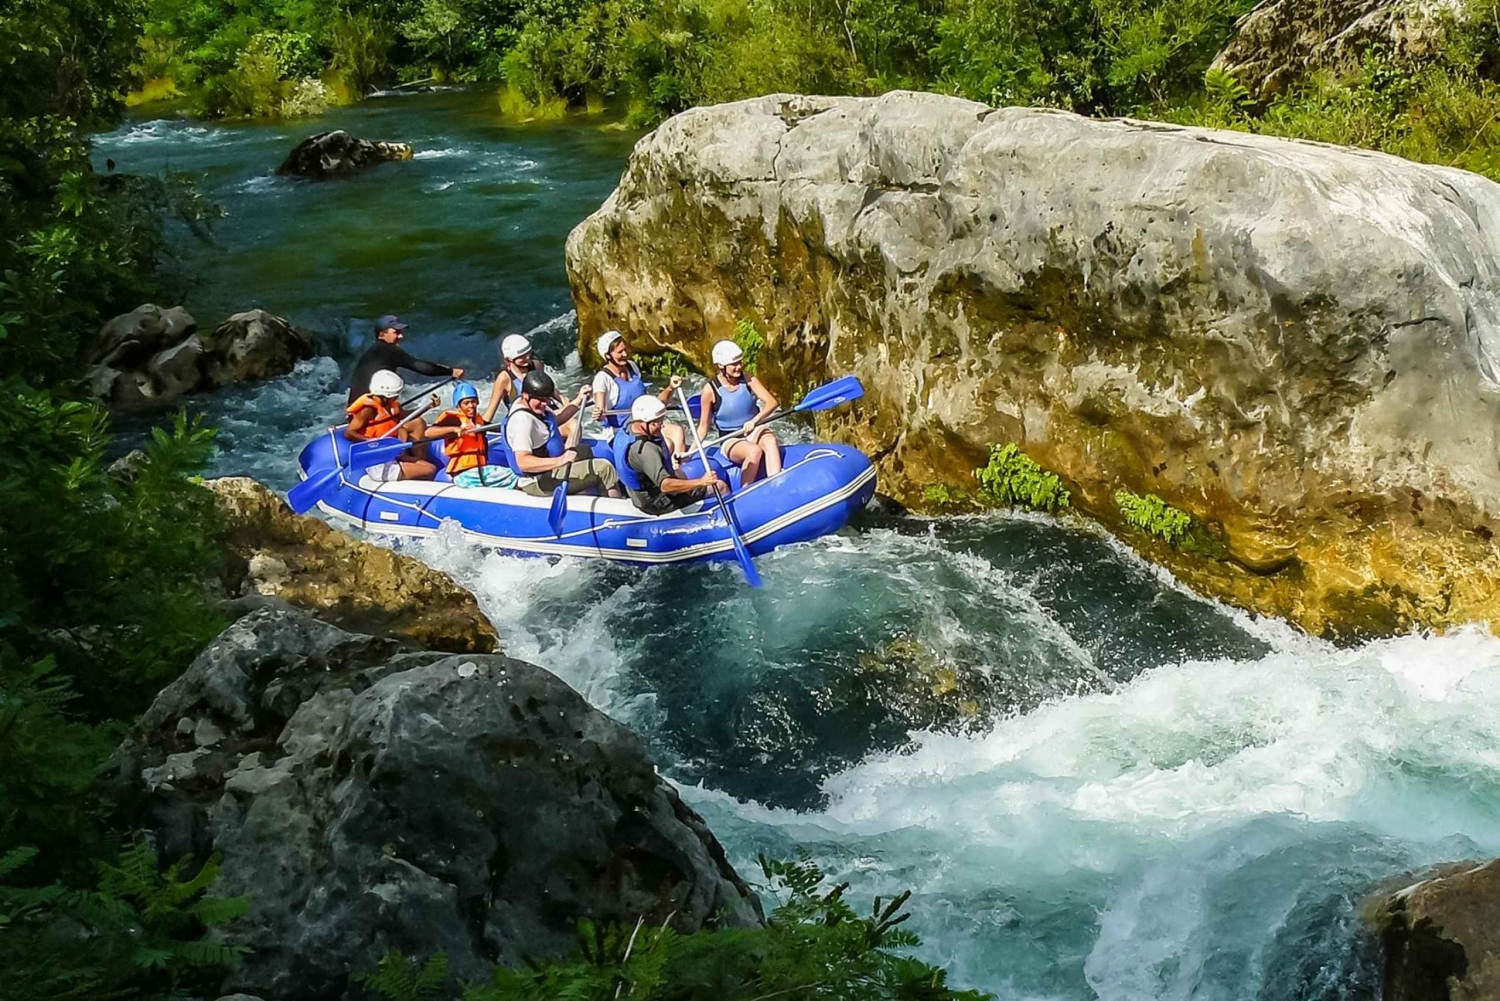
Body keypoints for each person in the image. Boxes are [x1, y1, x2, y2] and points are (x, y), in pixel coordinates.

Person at [503, 370, 623, 498]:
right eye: (541, 401)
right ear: (526, 396)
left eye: (547, 400)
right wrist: (561, 460)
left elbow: (556, 419)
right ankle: (615, 504)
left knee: (584, 451)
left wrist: (578, 400)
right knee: (605, 469)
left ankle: (587, 493)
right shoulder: (522, 421)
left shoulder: (533, 406)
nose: (545, 404)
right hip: (539, 481)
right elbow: (523, 462)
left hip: (550, 470)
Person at [613, 396, 726, 514]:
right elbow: (665, 486)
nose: (662, 425)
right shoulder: (646, 450)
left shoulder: (629, 426)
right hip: (656, 500)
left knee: (681, 474)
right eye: (657, 422)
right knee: (720, 486)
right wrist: (701, 482)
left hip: (641, 491)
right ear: (643, 423)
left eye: (662, 419)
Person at [697, 339, 782, 484]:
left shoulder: (748, 378)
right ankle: (745, 490)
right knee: (754, 451)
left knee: (770, 440)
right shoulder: (710, 390)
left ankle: (777, 483)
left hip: (753, 429)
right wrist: (690, 452)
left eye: (740, 362)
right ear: (721, 366)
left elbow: (772, 403)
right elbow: (703, 426)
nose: (739, 367)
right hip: (730, 439)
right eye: (734, 364)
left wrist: (754, 421)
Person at [590, 330, 687, 456]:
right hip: (621, 433)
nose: (625, 354)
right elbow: (600, 411)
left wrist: (670, 388)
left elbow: (653, 405)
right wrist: (599, 413)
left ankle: (678, 469)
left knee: (677, 432)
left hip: (645, 424)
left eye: (625, 350)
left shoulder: (632, 366)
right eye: (620, 352)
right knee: (667, 444)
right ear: (608, 356)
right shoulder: (602, 379)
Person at [344, 369, 437, 481]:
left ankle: (407, 470)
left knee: (428, 465)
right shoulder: (367, 410)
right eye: (395, 395)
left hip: (389, 453)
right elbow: (349, 433)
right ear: (385, 396)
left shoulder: (391, 405)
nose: (397, 397)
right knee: (430, 470)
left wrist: (428, 406)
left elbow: (406, 416)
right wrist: (370, 441)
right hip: (378, 463)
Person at [348, 314, 465, 403]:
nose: (401, 336)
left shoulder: (373, 352)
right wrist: (452, 372)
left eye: (401, 331)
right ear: (382, 334)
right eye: (396, 332)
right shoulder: (390, 351)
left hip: (355, 409)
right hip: (370, 412)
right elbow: (421, 367)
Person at [426, 381, 516, 488]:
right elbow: (428, 433)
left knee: (515, 474)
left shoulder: (479, 422)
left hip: (478, 470)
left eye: (473, 402)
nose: (471, 406)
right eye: (466, 403)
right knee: (514, 477)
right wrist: (454, 429)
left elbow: (498, 428)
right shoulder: (454, 419)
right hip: (463, 474)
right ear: (458, 406)